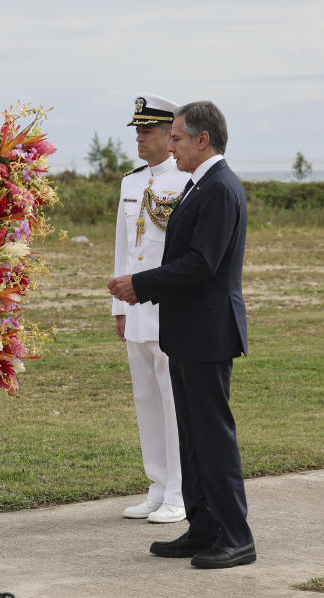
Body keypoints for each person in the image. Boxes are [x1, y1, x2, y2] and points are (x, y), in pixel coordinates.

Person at [108, 101, 256, 569]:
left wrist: (141, 286)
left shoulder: (219, 187)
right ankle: (204, 527)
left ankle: (236, 535)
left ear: (202, 140)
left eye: (176, 138)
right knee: (192, 436)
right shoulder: (200, 185)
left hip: (208, 331)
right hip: (189, 329)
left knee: (212, 437)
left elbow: (202, 263)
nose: (170, 146)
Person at [112, 94, 190, 524]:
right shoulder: (130, 182)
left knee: (173, 401)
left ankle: (179, 492)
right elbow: (124, 248)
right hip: (137, 309)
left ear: (168, 134)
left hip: (169, 308)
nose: (139, 138)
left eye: (147, 131)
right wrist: (118, 308)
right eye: (137, 131)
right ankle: (157, 485)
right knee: (146, 400)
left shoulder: (184, 181)